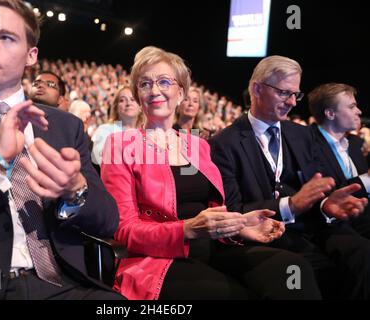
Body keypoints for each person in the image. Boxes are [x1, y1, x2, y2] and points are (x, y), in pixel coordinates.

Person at [0, 0, 121, 300]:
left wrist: (75, 191)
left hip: (63, 284)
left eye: (5, 37)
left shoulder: (66, 126)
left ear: (31, 55)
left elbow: (109, 220)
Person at [101, 46, 322, 300]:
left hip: (215, 248)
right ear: (137, 94)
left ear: (180, 92)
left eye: (164, 81)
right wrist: (187, 230)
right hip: (159, 260)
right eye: (144, 84)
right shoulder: (121, 145)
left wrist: (241, 225)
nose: (154, 90)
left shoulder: (198, 145)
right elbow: (123, 230)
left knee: (291, 270)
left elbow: (215, 212)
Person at [210, 55, 370, 299]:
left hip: (314, 226)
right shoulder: (225, 143)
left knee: (362, 253)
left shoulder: (302, 134)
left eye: (296, 94)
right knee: (310, 271)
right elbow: (234, 209)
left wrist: (328, 204)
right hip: (266, 233)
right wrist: (290, 205)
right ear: (257, 89)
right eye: (285, 93)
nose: (293, 102)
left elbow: (318, 189)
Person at [308, 83, 370, 238]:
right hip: (334, 231)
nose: (359, 111)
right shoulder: (309, 146)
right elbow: (328, 197)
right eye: (351, 107)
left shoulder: (355, 144)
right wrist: (368, 179)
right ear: (330, 113)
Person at [91, 86, 142, 168]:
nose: (128, 103)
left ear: (140, 107)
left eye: (133, 99)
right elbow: (102, 161)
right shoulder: (105, 130)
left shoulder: (146, 133)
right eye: (122, 100)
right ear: (116, 108)